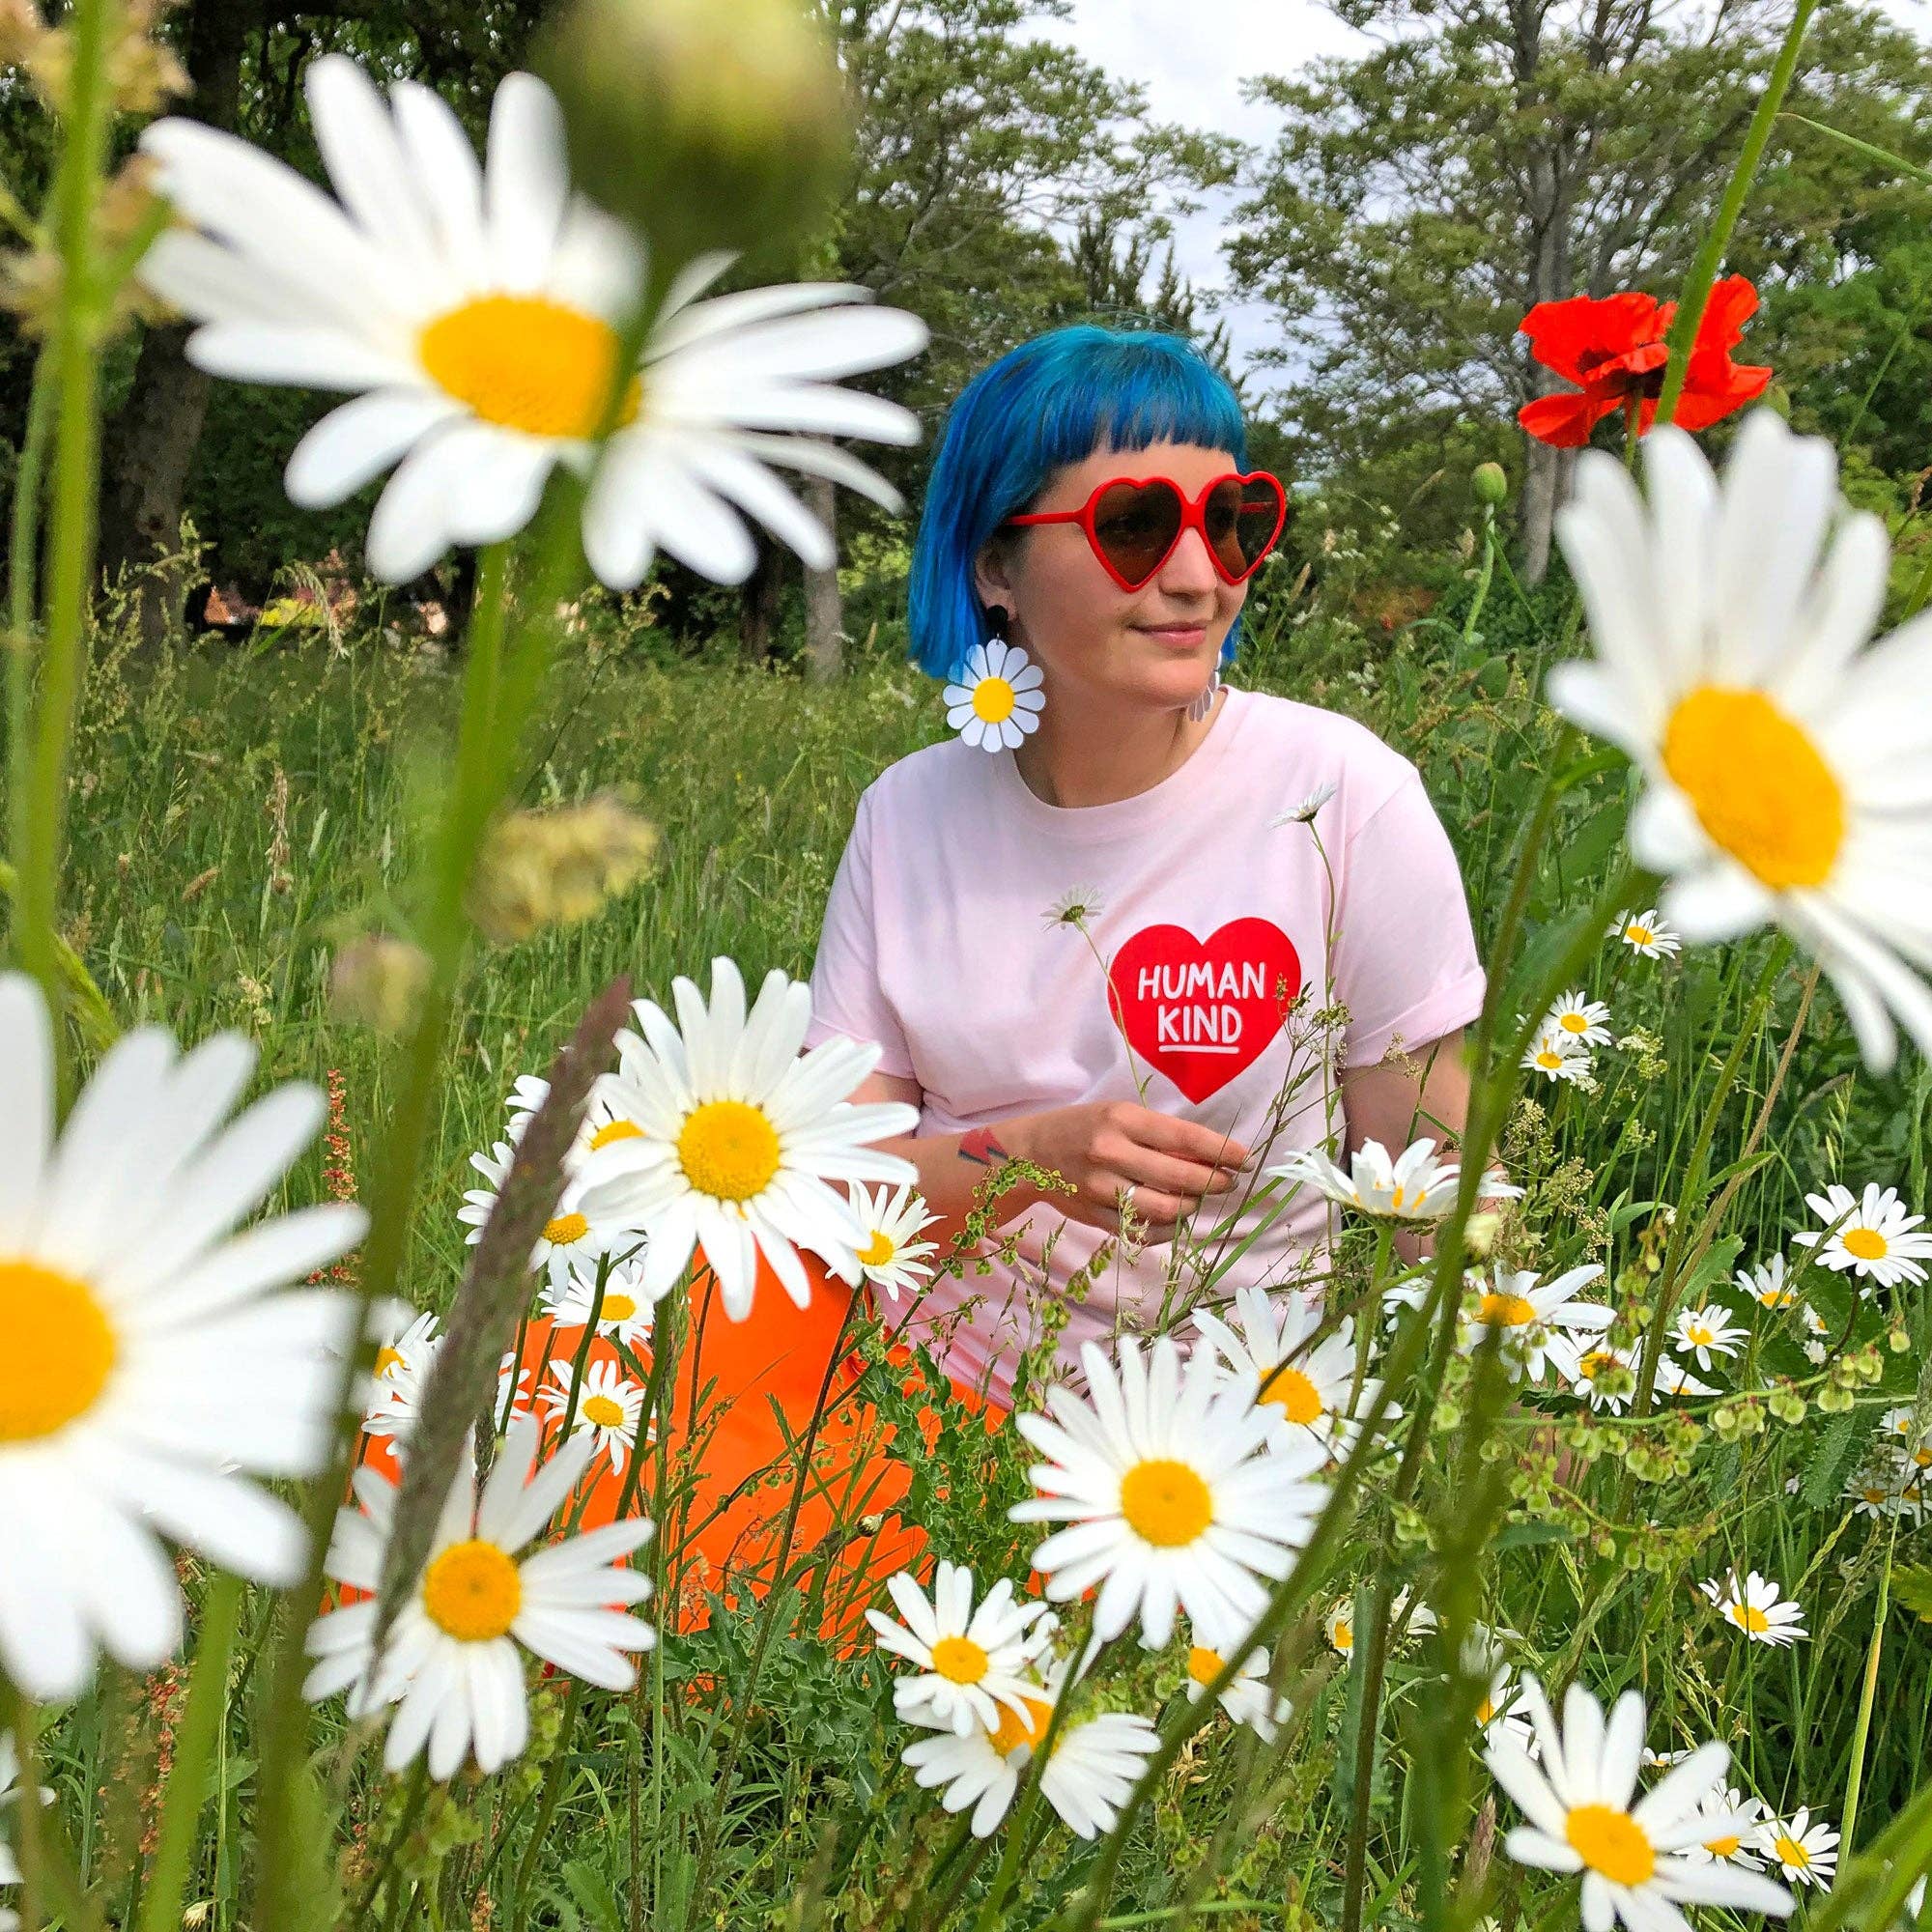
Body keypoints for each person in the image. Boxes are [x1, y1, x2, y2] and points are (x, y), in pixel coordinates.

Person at [472, 324, 1487, 1647]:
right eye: (1135, 525)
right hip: (914, 1403)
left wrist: (1462, 1439)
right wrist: (1031, 1160)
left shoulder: (1342, 795)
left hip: (1204, 1458)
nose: (1198, 575)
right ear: (995, 567)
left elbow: (1434, 1189)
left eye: (1233, 521)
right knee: (534, 1421)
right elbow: (834, 1192)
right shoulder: (909, 815)